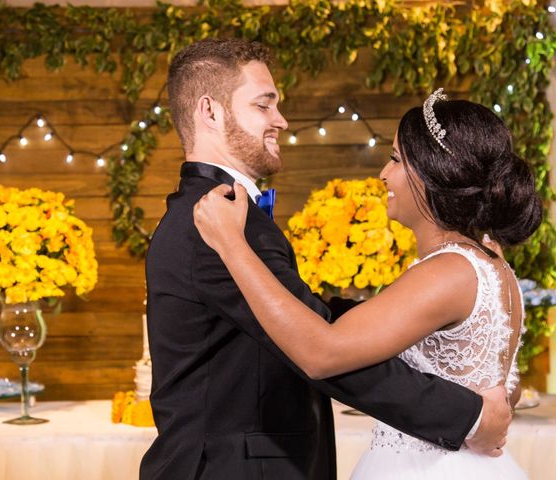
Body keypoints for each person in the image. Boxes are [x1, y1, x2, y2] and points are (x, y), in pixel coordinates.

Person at [141, 38, 511, 480]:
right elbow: (321, 353)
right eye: (264, 105)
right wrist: (469, 416)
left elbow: (305, 318)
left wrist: (395, 323)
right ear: (210, 112)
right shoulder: (216, 220)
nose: (281, 119)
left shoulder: (220, 214)